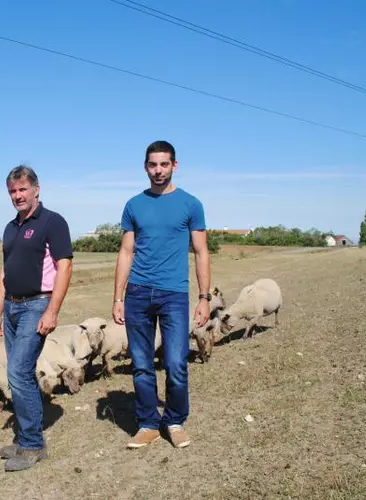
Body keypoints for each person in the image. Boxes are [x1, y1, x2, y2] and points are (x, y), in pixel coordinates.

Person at [112, 140, 211, 450]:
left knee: (176, 362)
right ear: (145, 167)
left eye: (164, 164)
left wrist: (205, 297)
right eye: (153, 165)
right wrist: (118, 297)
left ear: (174, 166)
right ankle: (147, 424)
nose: (158, 170)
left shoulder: (191, 204)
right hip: (138, 294)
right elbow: (126, 251)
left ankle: (175, 420)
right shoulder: (133, 205)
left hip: (174, 294)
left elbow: (201, 251)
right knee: (141, 363)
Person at [0, 164, 73, 471]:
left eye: (23, 189)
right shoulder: (10, 228)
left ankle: (34, 445)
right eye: (12, 191)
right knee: (17, 373)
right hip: (11, 306)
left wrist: (53, 310)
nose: (18, 195)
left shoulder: (52, 222)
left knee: (18, 372)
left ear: (36, 189)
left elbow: (65, 266)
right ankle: (25, 439)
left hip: (37, 305)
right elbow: (4, 272)